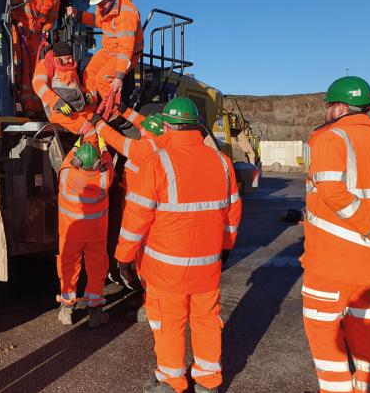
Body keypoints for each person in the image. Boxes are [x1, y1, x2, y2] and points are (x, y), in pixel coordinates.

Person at [114, 97, 242, 393]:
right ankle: (208, 381)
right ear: (197, 125)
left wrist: (124, 256)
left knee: (169, 323)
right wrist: (224, 247)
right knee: (206, 320)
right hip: (207, 264)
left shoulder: (157, 162)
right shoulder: (222, 162)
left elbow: (136, 217)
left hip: (166, 267)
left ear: (167, 126)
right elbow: (232, 212)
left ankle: (172, 381)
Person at [300, 76, 370, 393]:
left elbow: (333, 193)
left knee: (324, 332)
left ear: (338, 107)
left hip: (332, 262)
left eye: (328, 106)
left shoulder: (330, 140)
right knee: (366, 327)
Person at [91, 109, 165, 321]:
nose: (140, 130)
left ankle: (150, 308)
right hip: (146, 207)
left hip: (141, 210)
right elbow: (145, 122)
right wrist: (123, 110)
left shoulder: (144, 147)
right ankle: (146, 297)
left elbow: (116, 140)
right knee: (147, 262)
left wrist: (98, 124)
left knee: (147, 262)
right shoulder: (160, 139)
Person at [56, 139, 115, 328]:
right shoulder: (105, 178)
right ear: (97, 164)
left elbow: (67, 160)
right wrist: (103, 143)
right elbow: (109, 161)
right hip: (96, 236)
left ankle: (66, 311)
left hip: (70, 234)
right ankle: (95, 313)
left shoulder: (66, 175)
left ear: (77, 162)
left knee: (68, 270)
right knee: (97, 271)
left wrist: (77, 142)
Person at [66, 0, 143, 119]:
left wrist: (119, 77)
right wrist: (77, 14)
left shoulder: (126, 14)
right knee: (89, 73)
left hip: (125, 54)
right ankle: (91, 109)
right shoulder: (104, 6)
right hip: (109, 50)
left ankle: (116, 115)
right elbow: (97, 21)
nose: (99, 7)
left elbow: (126, 50)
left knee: (103, 78)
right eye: (98, 4)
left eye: (101, 3)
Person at [12, 0, 66, 116]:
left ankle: (36, 108)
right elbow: (10, 8)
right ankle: (24, 107)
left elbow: (52, 17)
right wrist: (18, 24)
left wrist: (46, 29)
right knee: (22, 70)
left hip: (37, 37)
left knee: (39, 73)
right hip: (20, 34)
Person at [32, 41, 98, 141]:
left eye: (71, 57)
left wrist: (86, 94)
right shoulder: (45, 65)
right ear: (58, 58)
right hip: (58, 112)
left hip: (76, 109)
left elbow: (77, 86)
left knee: (99, 124)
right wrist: (57, 102)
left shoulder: (70, 67)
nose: (71, 60)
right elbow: (38, 85)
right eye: (68, 58)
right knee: (89, 130)